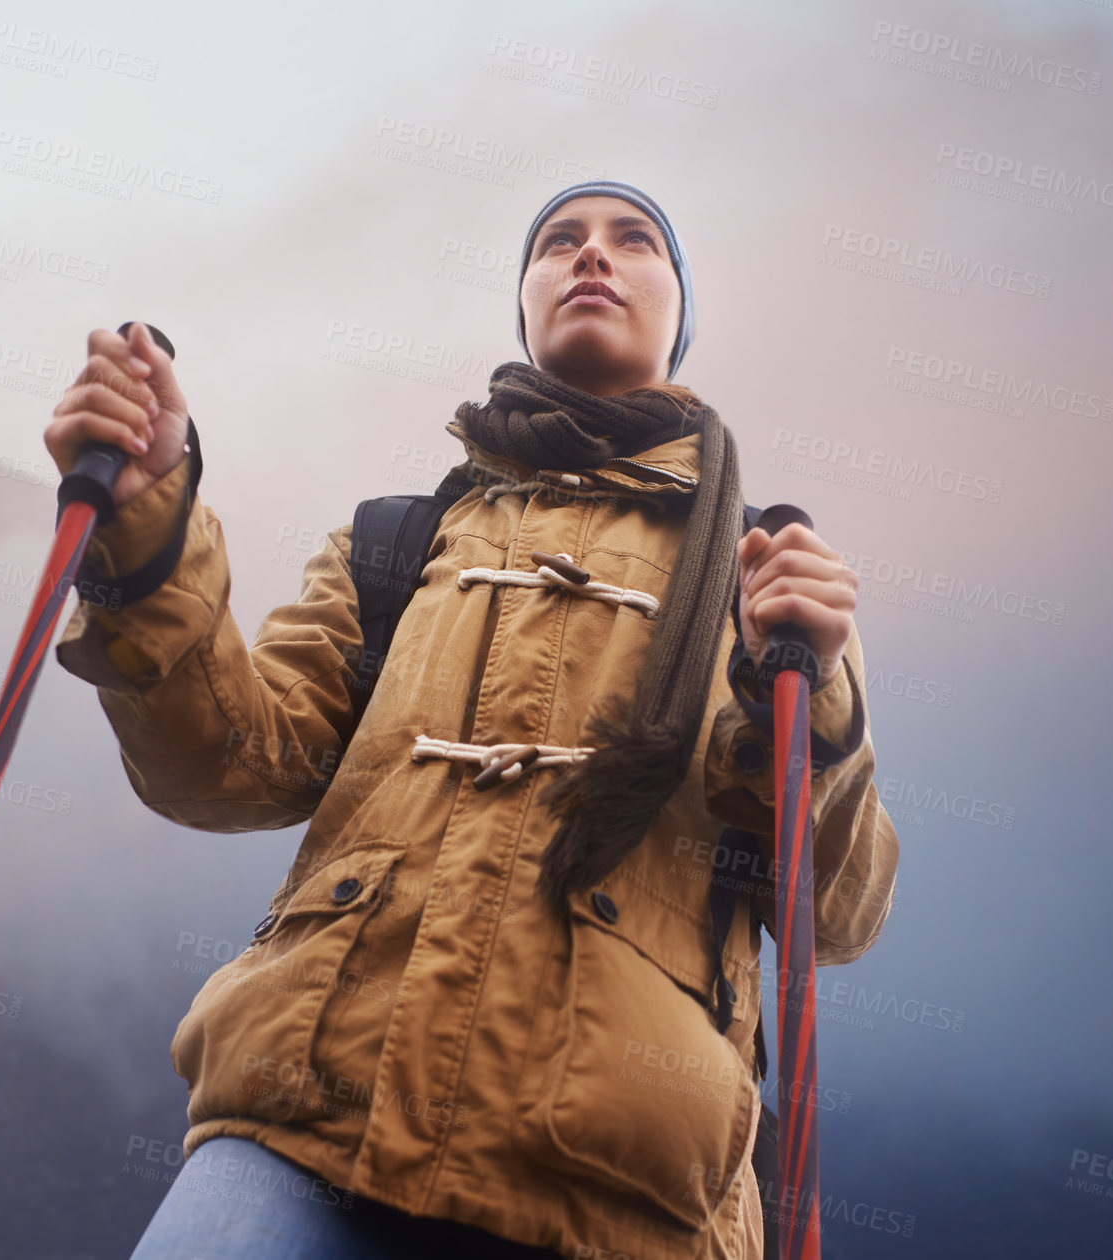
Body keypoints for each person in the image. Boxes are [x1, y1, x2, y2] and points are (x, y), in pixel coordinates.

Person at [46, 179, 900, 1260]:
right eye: (558, 242)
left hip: (622, 1186)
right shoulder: (396, 544)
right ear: (526, 301)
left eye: (632, 240)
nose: (591, 256)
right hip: (305, 1115)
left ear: (676, 313)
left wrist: (813, 694)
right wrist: (147, 526)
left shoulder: (768, 578)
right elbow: (220, 769)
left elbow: (836, 910)